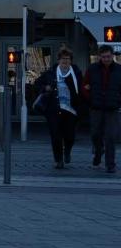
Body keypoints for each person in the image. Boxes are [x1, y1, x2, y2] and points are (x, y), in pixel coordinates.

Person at [35, 47, 83, 169]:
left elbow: (81, 90)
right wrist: (45, 87)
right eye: (63, 59)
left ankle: (67, 151)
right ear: (59, 60)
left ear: (71, 60)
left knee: (70, 136)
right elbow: (37, 83)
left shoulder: (76, 73)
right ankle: (58, 160)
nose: (65, 61)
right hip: (53, 110)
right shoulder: (51, 72)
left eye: (67, 59)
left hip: (71, 110)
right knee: (55, 135)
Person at [84, 45, 121, 173]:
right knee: (95, 134)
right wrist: (90, 99)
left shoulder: (119, 69)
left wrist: (118, 100)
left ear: (112, 56)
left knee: (111, 136)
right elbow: (85, 86)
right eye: (104, 57)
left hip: (112, 108)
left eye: (109, 56)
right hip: (96, 107)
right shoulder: (92, 69)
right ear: (100, 56)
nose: (106, 59)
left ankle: (110, 164)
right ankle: (99, 152)